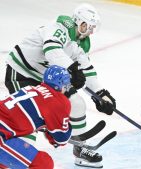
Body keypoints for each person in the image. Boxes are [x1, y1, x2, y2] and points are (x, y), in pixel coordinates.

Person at [4, 3, 115, 168]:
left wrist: (101, 94)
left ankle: (80, 150)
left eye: (93, 28)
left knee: (77, 104)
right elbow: (51, 49)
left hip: (48, 78)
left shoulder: (82, 43)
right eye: (89, 26)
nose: (91, 31)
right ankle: (20, 160)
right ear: (79, 22)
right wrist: (72, 68)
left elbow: (87, 69)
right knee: (25, 120)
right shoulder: (60, 27)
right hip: (22, 73)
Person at [0, 65, 72, 169]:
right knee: (43, 163)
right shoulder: (59, 101)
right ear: (62, 85)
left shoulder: (31, 88)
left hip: (3, 131)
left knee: (11, 161)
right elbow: (61, 139)